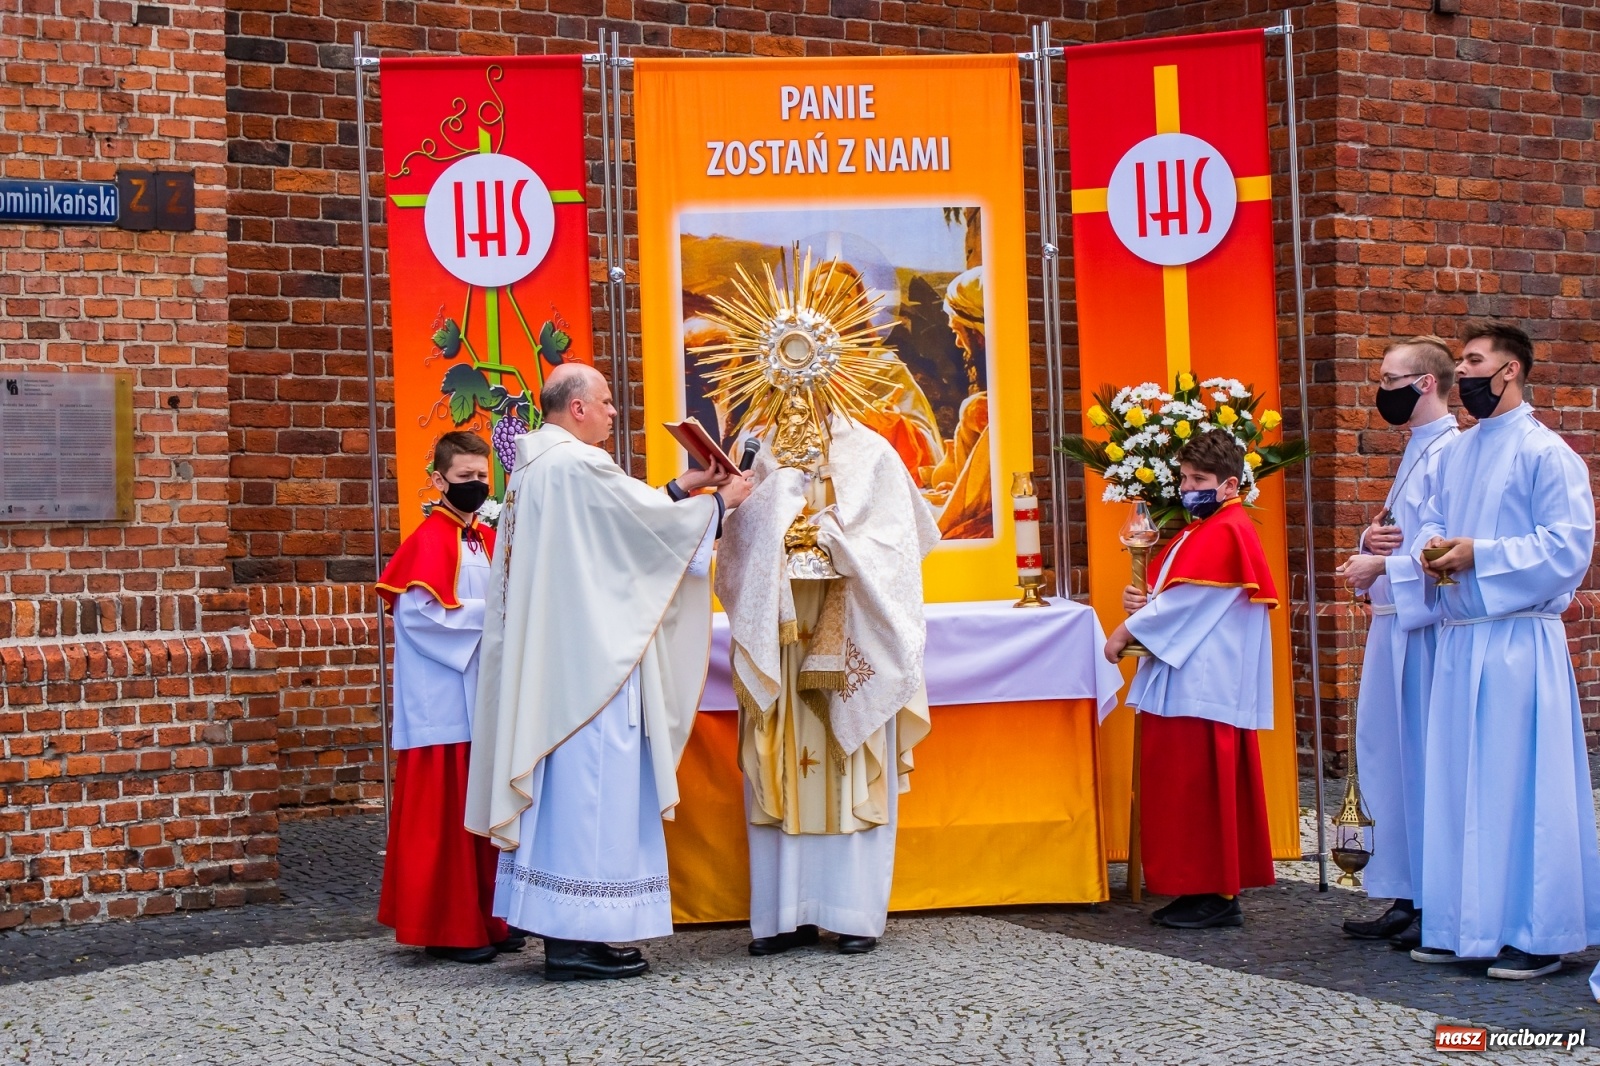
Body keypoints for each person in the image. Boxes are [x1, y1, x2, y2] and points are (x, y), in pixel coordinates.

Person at [464, 363, 753, 981]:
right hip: (592, 665)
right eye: (605, 402)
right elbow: (639, 536)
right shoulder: (575, 465)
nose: (613, 412)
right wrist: (719, 504)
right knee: (591, 796)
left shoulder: (539, 466)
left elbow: (620, 526)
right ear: (575, 409)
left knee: (579, 798)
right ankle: (573, 942)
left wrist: (682, 490)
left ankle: (582, 934)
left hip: (567, 656)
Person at [1412, 322, 1600, 979]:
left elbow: (1567, 546)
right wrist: (1431, 551)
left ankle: (1538, 931)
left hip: (1519, 641)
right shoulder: (1454, 454)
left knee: (1522, 787)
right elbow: (1430, 518)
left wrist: (1481, 556)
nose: (1461, 375)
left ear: (1510, 370)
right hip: (1462, 641)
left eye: (1472, 362)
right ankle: (1464, 923)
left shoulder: (1548, 455)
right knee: (1461, 786)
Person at [716, 408, 940, 957]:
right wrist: (775, 521)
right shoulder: (759, 454)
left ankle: (853, 911)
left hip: (851, 630)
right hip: (781, 631)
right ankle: (784, 915)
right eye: (786, 386)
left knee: (849, 763)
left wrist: (832, 535)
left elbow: (896, 547)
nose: (798, 397)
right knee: (782, 759)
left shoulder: (873, 456)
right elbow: (737, 540)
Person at [1104, 431, 1277, 929]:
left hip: (1205, 685)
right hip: (1187, 679)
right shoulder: (1203, 530)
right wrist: (1141, 602)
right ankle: (1193, 887)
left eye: (1198, 480)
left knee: (1200, 789)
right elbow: (1168, 593)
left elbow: (1189, 603)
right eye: (1183, 478)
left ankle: (1217, 895)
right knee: (1182, 789)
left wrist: (1125, 631)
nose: (1186, 488)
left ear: (1228, 484)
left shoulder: (1226, 530)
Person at [1334, 337, 1458, 948]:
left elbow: (1447, 546)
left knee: (1419, 758)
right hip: (1393, 624)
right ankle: (1404, 890)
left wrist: (1385, 567)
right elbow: (1406, 532)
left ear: (1426, 383)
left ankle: (1432, 895)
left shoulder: (1450, 453)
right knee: (1390, 755)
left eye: (1389, 379)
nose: (1380, 389)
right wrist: (1374, 543)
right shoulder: (1418, 449)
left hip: (1423, 634)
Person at [375, 431, 514, 963]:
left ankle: (487, 918)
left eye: (482, 478)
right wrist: (493, 618)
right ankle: (447, 928)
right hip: (442, 701)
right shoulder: (429, 539)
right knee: (445, 820)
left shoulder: (483, 537)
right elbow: (419, 615)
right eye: (465, 478)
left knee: (479, 813)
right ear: (438, 480)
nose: (476, 486)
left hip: (477, 691)